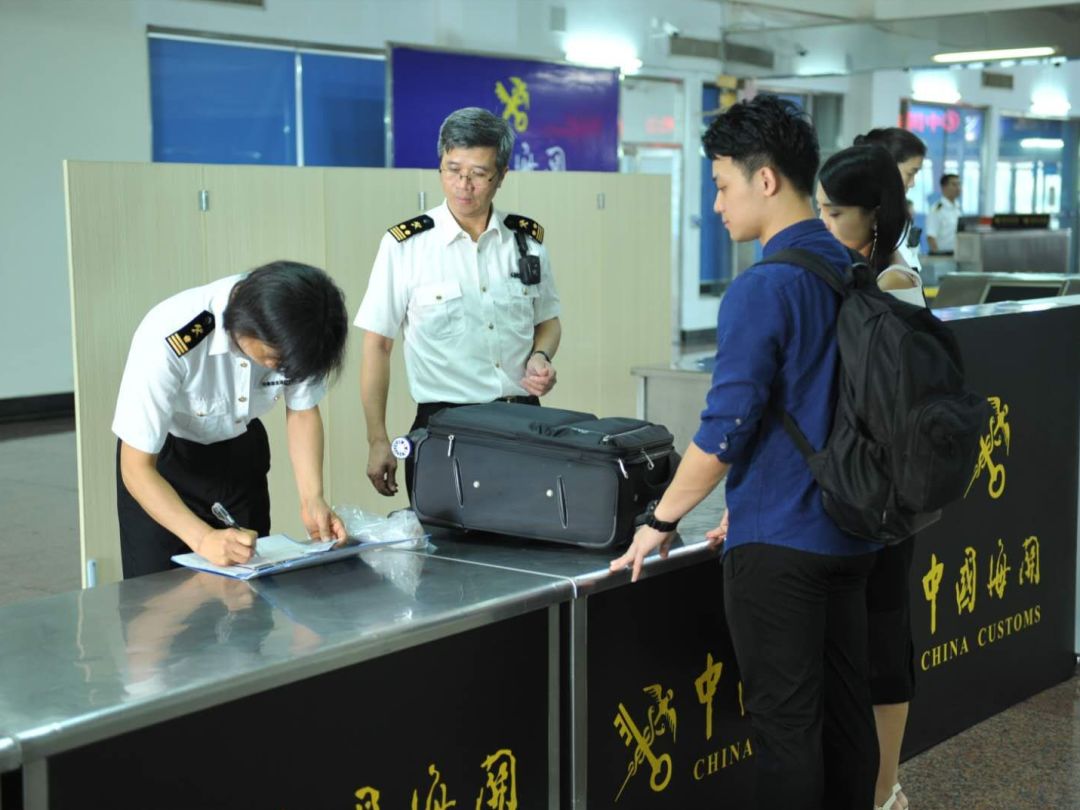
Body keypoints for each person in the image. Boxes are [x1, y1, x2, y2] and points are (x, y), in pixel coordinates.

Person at [610, 94, 880, 810]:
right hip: (851, 531)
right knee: (847, 718)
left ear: (766, 181)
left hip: (780, 549)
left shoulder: (764, 286)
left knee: (788, 732)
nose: (718, 205)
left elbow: (725, 428)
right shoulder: (848, 267)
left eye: (723, 185)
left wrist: (660, 521)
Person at [356, 107, 562, 497]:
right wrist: (377, 438)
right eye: (452, 169)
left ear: (501, 176)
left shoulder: (527, 242)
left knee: (529, 543)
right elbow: (377, 346)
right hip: (446, 426)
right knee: (444, 550)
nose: (463, 184)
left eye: (479, 174)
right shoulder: (405, 246)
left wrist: (541, 357)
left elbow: (548, 321)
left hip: (523, 420)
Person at [113, 261, 350, 578]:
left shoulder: (303, 330)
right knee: (159, 601)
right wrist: (203, 538)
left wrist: (312, 498)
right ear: (248, 327)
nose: (280, 370)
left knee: (247, 592)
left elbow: (303, 409)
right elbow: (136, 466)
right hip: (164, 465)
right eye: (273, 361)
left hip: (240, 454)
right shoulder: (169, 335)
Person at [816, 143, 928, 810]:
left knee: (883, 642)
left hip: (882, 500)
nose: (825, 224)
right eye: (820, 211)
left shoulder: (894, 284)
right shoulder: (834, 275)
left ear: (876, 217)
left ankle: (887, 789)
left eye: (837, 213)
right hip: (844, 495)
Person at [853, 127, 927, 271]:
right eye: (910, 173)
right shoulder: (863, 217)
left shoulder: (896, 214)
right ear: (886, 168)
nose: (912, 183)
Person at [926, 173, 962, 253]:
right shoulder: (936, 210)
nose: (958, 188)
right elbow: (931, 237)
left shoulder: (957, 208)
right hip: (943, 256)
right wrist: (938, 257)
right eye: (954, 184)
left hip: (957, 254)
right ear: (944, 187)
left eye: (959, 184)